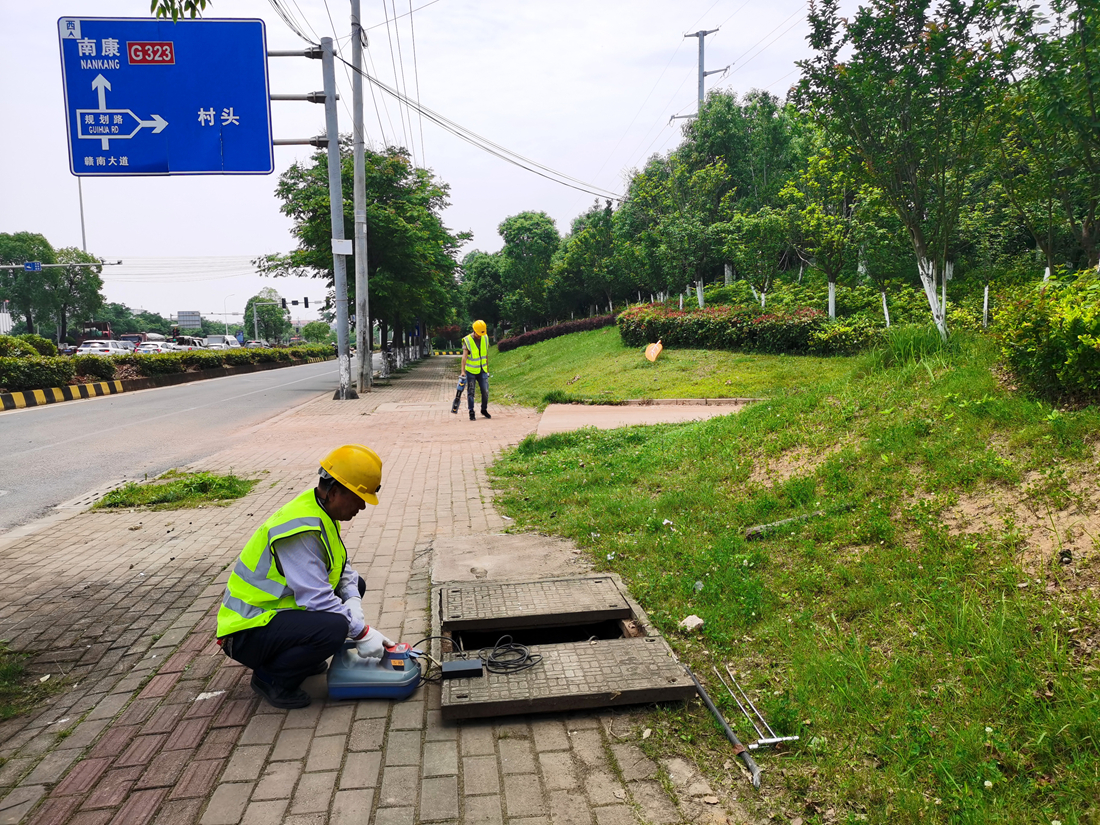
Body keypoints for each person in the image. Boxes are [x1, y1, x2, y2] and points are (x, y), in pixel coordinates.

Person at [216, 444, 395, 709]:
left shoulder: (321, 509)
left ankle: (301, 657)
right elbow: (317, 598)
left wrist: (354, 602)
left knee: (354, 587)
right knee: (334, 628)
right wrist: (362, 633)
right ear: (335, 492)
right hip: (245, 632)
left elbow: (341, 569)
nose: (363, 507)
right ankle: (271, 679)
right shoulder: (299, 529)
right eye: (359, 498)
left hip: (273, 615)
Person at [461, 319, 491, 421]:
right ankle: (471, 412)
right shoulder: (467, 340)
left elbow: (485, 354)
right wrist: (463, 371)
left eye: (481, 334)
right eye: (478, 334)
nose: (480, 336)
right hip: (471, 371)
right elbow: (464, 357)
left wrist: (487, 369)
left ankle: (484, 409)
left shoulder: (485, 337)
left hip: (482, 370)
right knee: (471, 392)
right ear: (474, 330)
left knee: (485, 391)